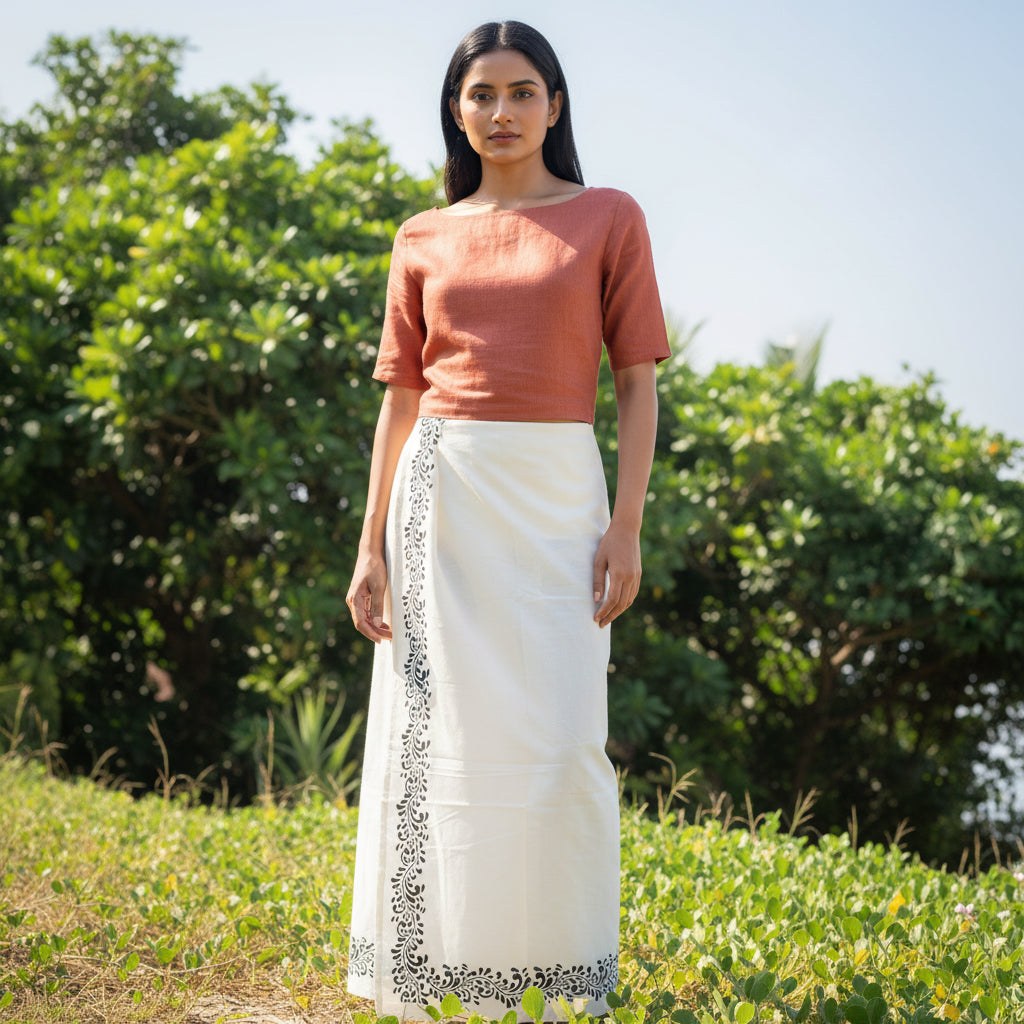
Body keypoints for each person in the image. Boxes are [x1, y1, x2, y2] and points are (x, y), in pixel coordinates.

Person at [345, 20, 670, 1022]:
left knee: (565, 730)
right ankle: (431, 973)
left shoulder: (608, 216)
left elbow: (636, 383)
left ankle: (555, 980)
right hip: (441, 491)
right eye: (480, 94)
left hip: (559, 491)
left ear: (555, 106)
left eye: (521, 92)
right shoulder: (421, 235)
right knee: (434, 735)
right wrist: (367, 547)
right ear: (456, 110)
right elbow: (399, 402)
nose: (501, 112)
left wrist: (626, 525)